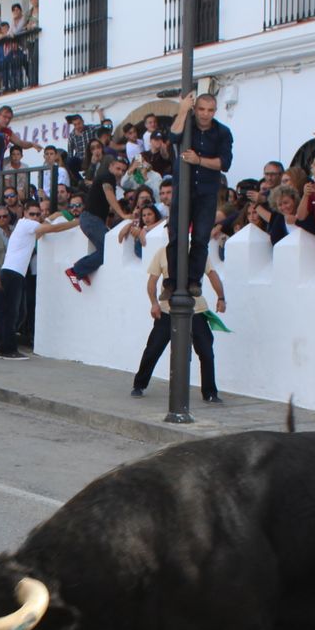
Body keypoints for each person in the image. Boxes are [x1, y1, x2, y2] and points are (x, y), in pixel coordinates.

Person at [132, 241, 225, 403]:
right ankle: (139, 384)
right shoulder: (162, 252)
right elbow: (152, 281)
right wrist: (154, 303)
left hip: (196, 309)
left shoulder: (198, 252)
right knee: (153, 348)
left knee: (206, 351)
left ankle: (210, 392)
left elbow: (212, 274)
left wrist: (221, 298)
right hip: (168, 310)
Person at [168, 93, 233, 294]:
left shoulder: (222, 132)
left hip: (207, 191)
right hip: (184, 188)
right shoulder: (187, 124)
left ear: (215, 111)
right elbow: (173, 136)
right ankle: (173, 281)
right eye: (201, 109)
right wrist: (182, 110)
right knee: (176, 234)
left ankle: (194, 281)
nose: (205, 114)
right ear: (195, 109)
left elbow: (225, 163)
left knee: (200, 238)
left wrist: (199, 160)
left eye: (210, 110)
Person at [0, 204, 65, 360]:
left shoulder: (26, 227)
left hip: (14, 274)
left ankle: (5, 346)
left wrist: (50, 218)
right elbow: (53, 229)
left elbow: (41, 231)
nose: (35, 217)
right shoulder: (27, 224)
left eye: (37, 214)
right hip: (13, 274)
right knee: (12, 314)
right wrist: (76, 223)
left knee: (17, 313)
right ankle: (7, 349)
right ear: (24, 214)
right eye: (31, 214)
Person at [64, 156, 128, 291]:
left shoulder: (107, 178)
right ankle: (76, 270)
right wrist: (123, 214)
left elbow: (108, 207)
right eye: (118, 168)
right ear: (110, 166)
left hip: (92, 220)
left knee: (106, 249)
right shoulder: (107, 176)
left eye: (123, 170)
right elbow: (109, 194)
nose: (120, 172)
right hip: (91, 219)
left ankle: (82, 269)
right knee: (108, 250)